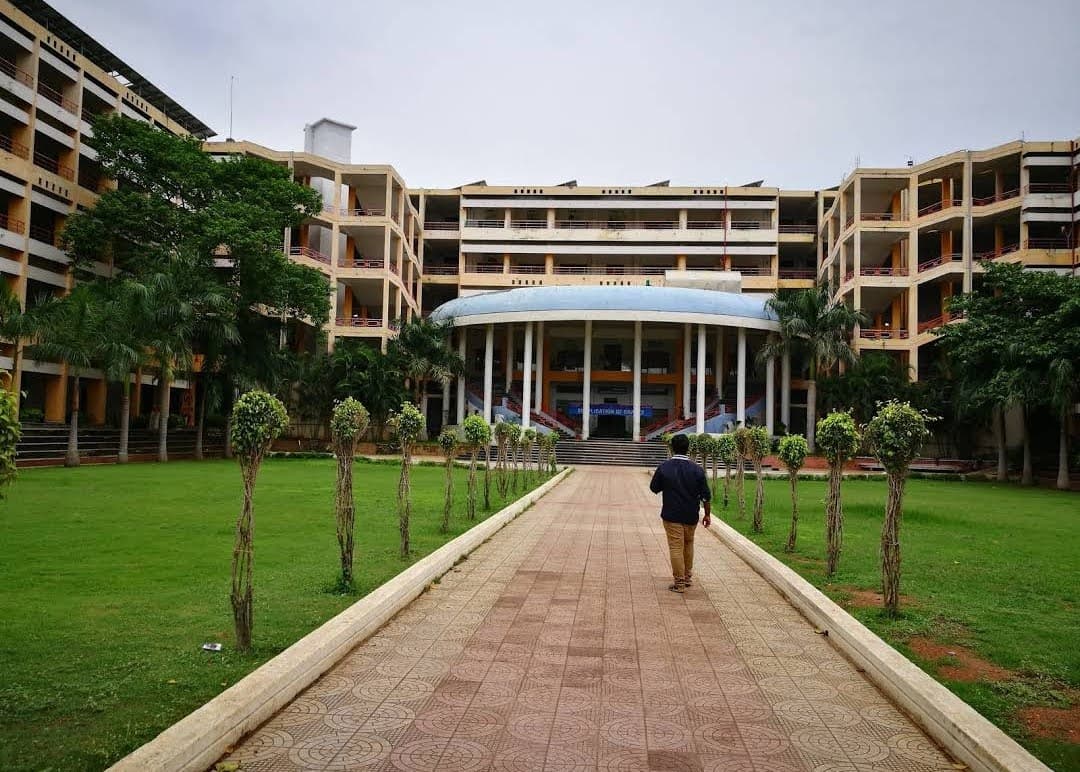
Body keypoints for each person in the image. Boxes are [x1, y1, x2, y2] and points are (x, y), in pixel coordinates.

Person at [650, 433, 712, 593]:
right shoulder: (697, 470)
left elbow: (654, 488)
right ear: (688, 448)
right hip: (691, 515)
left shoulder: (664, 467)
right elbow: (706, 496)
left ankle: (679, 583)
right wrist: (707, 514)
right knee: (688, 544)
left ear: (672, 448)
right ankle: (687, 576)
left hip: (672, 515)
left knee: (676, 547)